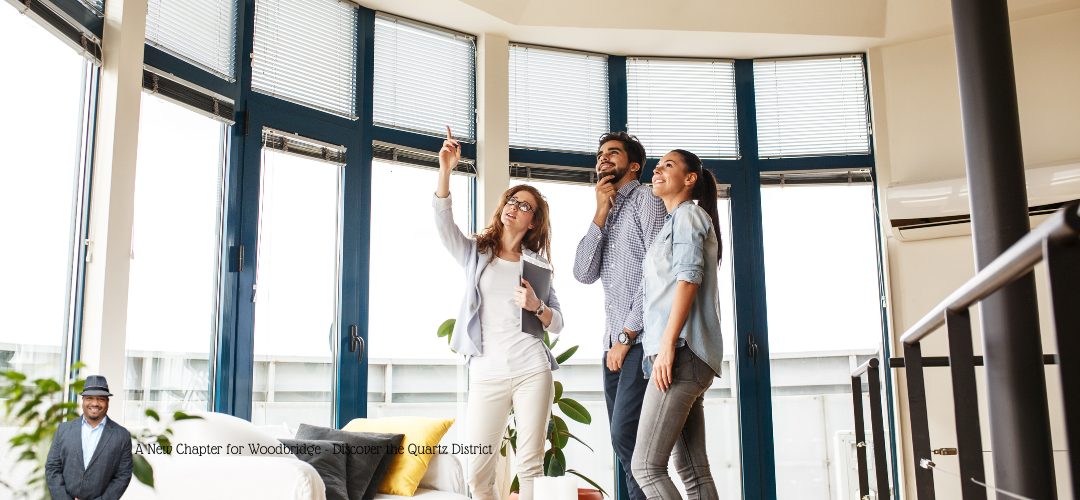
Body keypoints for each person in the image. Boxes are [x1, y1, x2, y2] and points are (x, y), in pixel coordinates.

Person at [434, 128, 564, 500]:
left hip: (530, 368)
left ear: (533, 222)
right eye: (512, 199)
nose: (514, 206)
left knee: (530, 467)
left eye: (524, 206)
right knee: (477, 472)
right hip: (487, 371)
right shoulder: (477, 251)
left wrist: (537, 306)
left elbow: (558, 322)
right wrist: (446, 170)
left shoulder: (537, 265)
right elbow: (444, 227)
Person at [574, 131, 666, 500]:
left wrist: (626, 337)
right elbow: (583, 272)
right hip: (613, 347)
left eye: (613, 153)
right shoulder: (608, 211)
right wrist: (599, 212)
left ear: (635, 165)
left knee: (628, 435)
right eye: (600, 154)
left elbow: (659, 275)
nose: (603, 159)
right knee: (628, 442)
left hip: (640, 342)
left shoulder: (646, 199)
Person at [631, 149, 725, 499]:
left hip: (681, 353)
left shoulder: (688, 216)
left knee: (646, 466)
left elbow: (688, 279)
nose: (657, 171)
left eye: (667, 165)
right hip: (688, 355)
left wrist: (668, 345)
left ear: (690, 179)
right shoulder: (676, 222)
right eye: (656, 167)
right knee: (693, 471)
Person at [45, 375, 133, 500]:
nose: (95, 403)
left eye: (101, 399)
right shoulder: (63, 430)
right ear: (83, 400)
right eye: (89, 398)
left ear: (108, 402)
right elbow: (52, 468)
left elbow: (123, 476)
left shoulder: (122, 436)